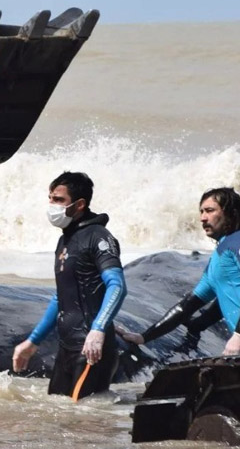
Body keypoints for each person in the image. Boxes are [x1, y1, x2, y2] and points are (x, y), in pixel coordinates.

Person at [12, 171, 127, 399]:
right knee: (58, 419)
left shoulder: (99, 237)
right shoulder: (65, 240)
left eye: (59, 200)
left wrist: (98, 329)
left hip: (91, 349)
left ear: (80, 204)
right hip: (67, 349)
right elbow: (61, 297)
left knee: (83, 423)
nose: (52, 205)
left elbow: (117, 286)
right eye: (50, 198)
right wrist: (33, 341)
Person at [119, 188, 240, 355]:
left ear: (231, 213)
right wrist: (144, 337)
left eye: (210, 211)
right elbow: (188, 306)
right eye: (201, 212)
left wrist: (238, 335)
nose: (202, 218)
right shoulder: (218, 257)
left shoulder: (237, 242)